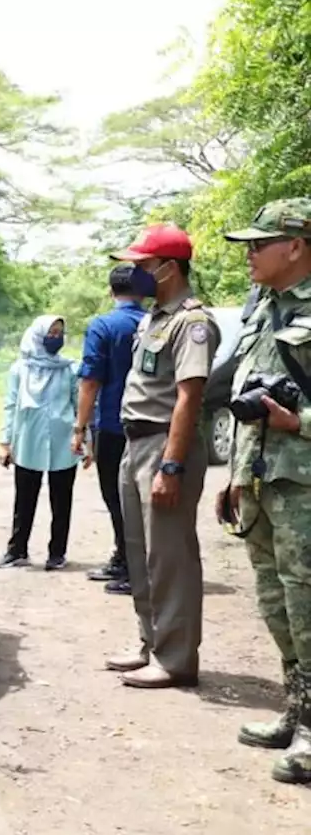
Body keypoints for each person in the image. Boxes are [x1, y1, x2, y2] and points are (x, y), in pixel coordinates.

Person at [214, 198, 311, 783]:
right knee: (277, 608)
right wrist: (234, 477)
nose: (249, 254)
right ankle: (297, 711)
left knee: (309, 609)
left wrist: (298, 424)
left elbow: (286, 412)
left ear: (296, 246)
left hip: (304, 486)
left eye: (259, 243)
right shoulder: (260, 310)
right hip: (261, 481)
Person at [103, 223, 220, 690]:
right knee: (139, 552)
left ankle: (175, 658)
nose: (135, 273)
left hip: (164, 446)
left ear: (169, 268)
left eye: (143, 266)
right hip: (135, 444)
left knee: (169, 556)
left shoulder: (193, 323)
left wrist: (171, 465)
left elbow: (188, 398)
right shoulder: (154, 318)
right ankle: (149, 642)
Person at [72, 264, 156, 595]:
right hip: (152, 423)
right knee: (141, 500)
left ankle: (134, 569)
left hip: (113, 424)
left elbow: (90, 381)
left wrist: (80, 428)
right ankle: (124, 558)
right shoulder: (156, 322)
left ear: (111, 292)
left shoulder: (104, 326)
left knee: (118, 498)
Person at [0, 315, 81, 571]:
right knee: (24, 499)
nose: (55, 337)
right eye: (51, 332)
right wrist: (5, 442)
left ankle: (57, 553)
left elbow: (79, 406)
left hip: (63, 441)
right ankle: (17, 550)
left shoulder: (70, 369)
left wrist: (84, 438)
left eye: (59, 333)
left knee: (62, 500)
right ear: (38, 334)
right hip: (28, 441)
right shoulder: (20, 369)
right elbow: (10, 406)